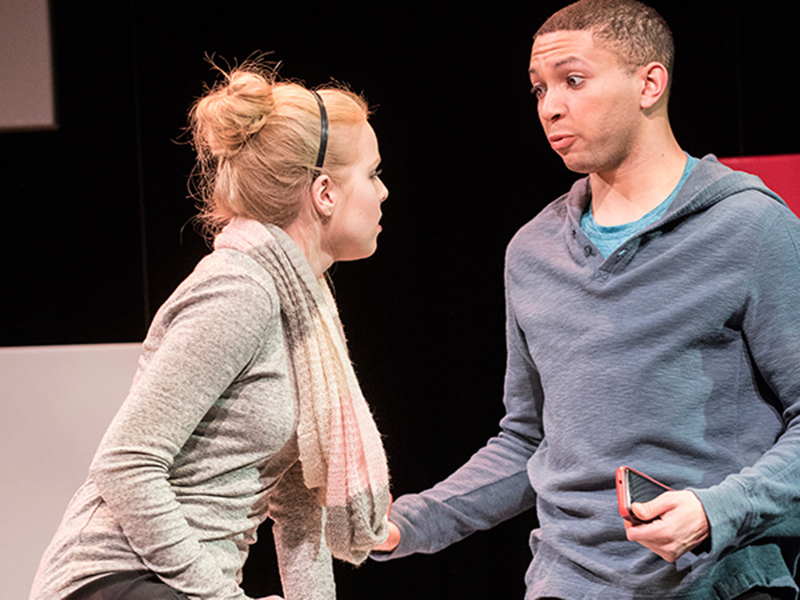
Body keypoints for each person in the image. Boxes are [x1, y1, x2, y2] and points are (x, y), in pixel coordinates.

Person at [372, 1, 800, 598]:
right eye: (539, 88)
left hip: (716, 581)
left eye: (573, 81)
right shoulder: (533, 251)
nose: (550, 106)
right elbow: (529, 442)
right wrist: (404, 524)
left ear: (650, 83)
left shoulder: (750, 227)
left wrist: (717, 510)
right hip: (566, 581)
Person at [29, 58, 391, 600]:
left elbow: (296, 504)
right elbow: (126, 463)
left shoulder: (305, 310)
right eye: (372, 173)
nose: (383, 192)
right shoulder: (240, 290)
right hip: (114, 578)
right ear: (324, 193)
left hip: (181, 584)